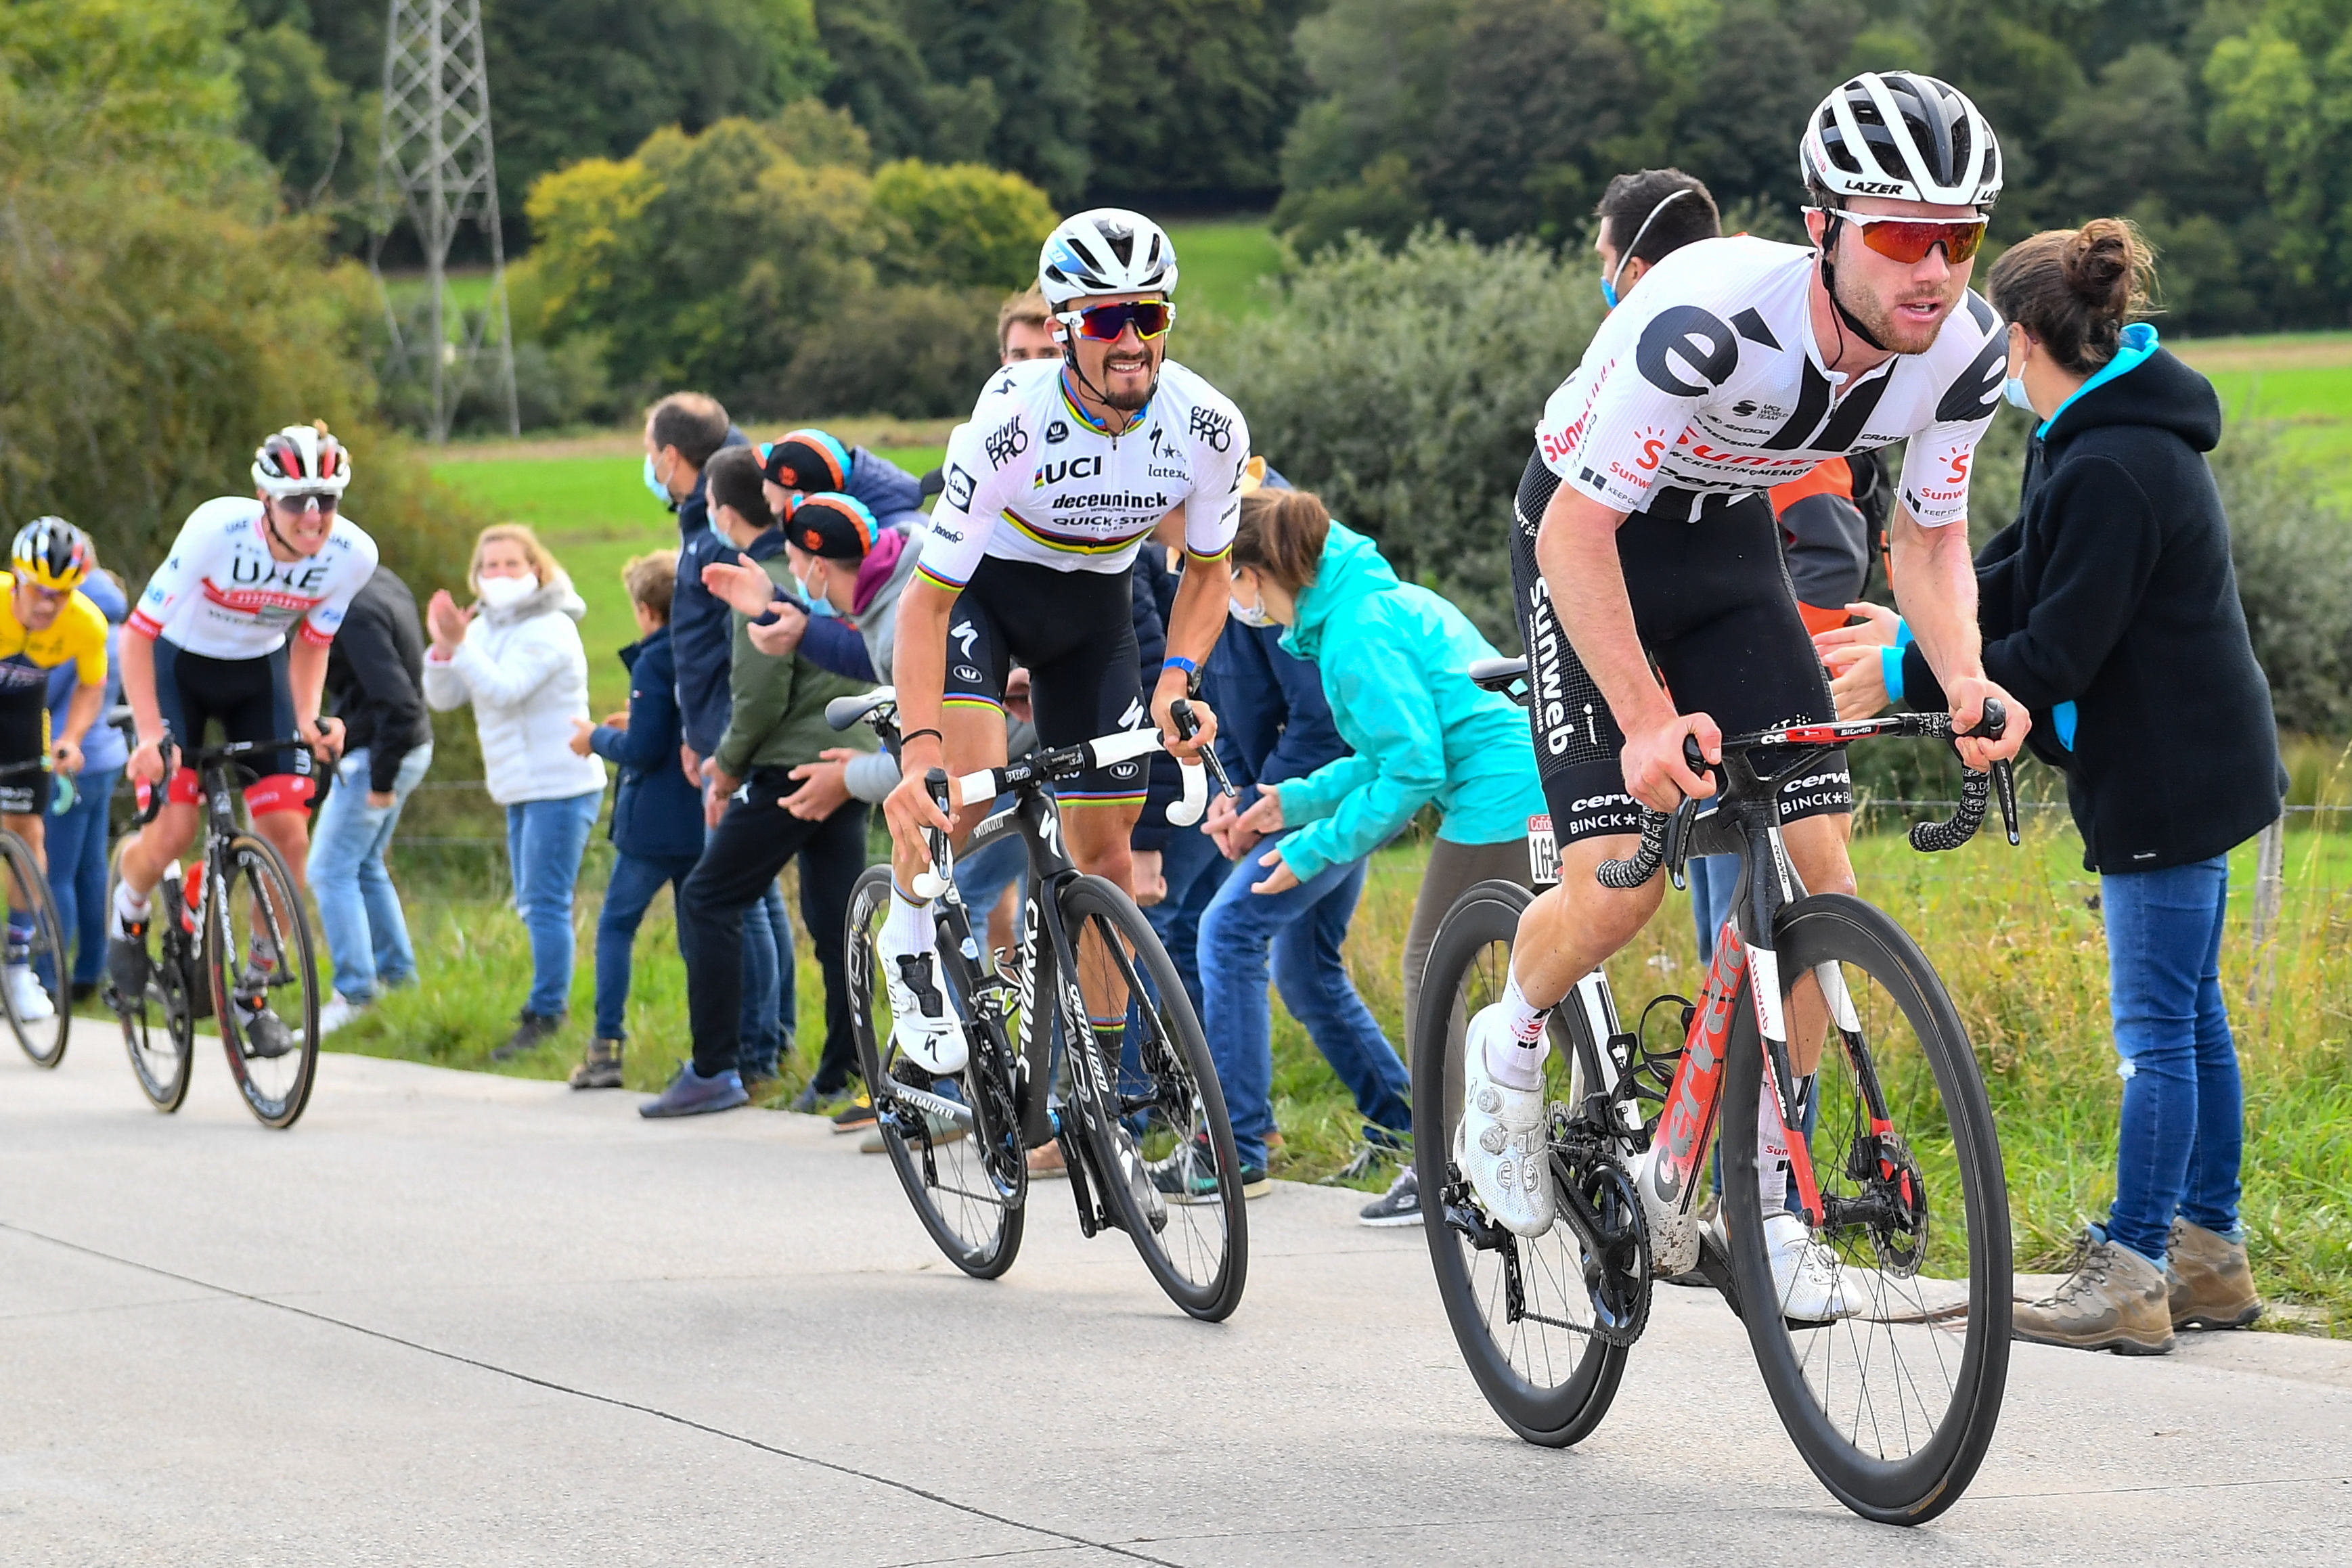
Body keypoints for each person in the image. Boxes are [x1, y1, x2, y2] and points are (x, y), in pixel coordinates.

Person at [1466, 72, 2026, 1326]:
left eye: (1959, 237)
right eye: (1901, 235)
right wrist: (1644, 717)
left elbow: (1930, 540)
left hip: (1726, 551)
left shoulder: (1964, 353)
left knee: (1825, 880)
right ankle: (1505, 1047)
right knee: (1620, 888)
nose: (1934, 270)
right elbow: (1575, 537)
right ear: (1822, 227)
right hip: (1585, 540)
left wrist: (1964, 674)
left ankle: (1769, 1203)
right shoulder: (1706, 318)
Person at [1817, 219, 2282, 1354]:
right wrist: (1917, 627)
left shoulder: (2114, 465)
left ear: (2019, 340)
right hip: (2195, 758)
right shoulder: (2095, 435)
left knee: (2156, 1031)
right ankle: (2207, 1253)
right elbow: (2024, 568)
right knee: (2191, 1015)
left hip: (2165, 776)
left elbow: (2058, 650)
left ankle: (2132, 1271)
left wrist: (1899, 676)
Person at [879, 208, 1246, 1096]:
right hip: (983, 600)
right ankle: (908, 937)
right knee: (962, 801)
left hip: (1093, 614)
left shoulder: (1207, 425)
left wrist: (1176, 679)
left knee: (1106, 859)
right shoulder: (1009, 423)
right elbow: (925, 605)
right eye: (1107, 319)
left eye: (1147, 316)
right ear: (1061, 329)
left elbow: (1207, 573)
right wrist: (919, 754)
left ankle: (1094, 1088)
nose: (1131, 342)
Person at [1192, 488, 1539, 1204]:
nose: (1229, 599)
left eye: (1226, 578)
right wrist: (1288, 804)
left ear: (1253, 574)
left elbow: (1414, 769)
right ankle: (1602, 1141)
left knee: (1430, 968)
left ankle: (1442, 1174)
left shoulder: (1356, 632)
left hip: (1497, 796)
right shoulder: (1361, 608)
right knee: (1546, 967)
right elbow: (1379, 757)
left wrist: (1310, 850)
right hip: (1527, 781)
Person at [1587, 166, 1875, 965]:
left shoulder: (1758, 359)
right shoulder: (1668, 357)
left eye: (1602, 261)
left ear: (1636, 272)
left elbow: (1829, 549)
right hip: (1698, 682)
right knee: (1729, 942)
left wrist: (1761, 674)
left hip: (1751, 684)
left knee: (1760, 931)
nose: (1599, 279)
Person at [109, 424, 379, 1061]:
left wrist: (308, 717)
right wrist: (148, 734)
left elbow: (314, 641)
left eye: (326, 499)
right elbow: (137, 634)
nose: (312, 516)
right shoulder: (215, 530)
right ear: (264, 498)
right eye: (296, 501)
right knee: (174, 831)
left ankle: (252, 991)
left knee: (289, 837)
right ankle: (129, 908)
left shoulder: (352, 554)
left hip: (259, 676)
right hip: (179, 668)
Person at [640, 447, 876, 1117]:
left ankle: (716, 1066)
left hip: (789, 768)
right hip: (847, 760)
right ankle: (845, 1069)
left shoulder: (763, 582)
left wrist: (725, 770)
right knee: (837, 924)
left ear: (720, 511)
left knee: (708, 897)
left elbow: (759, 697)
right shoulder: (811, 572)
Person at [646, 393, 796, 1096]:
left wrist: (716, 743)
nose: (650, 465)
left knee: (735, 899)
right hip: (712, 729)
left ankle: (754, 1051)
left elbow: (725, 649)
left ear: (671, 457)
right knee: (754, 899)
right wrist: (692, 729)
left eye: (650, 453)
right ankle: (769, 1042)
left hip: (730, 736)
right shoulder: (702, 516)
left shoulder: (713, 528)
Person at [422, 524, 605, 1059]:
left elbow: (505, 690)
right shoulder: (483, 628)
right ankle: (546, 1005)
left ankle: (547, 1012)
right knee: (532, 903)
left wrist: (460, 646)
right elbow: (445, 697)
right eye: (490, 566)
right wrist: (443, 648)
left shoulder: (551, 627)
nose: (499, 574)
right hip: (518, 786)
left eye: (511, 564)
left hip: (561, 784)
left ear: (536, 570)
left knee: (544, 902)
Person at [568, 550, 702, 1091]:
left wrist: (596, 737)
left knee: (616, 926)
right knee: (699, 939)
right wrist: (637, 720)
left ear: (646, 610)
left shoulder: (652, 660)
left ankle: (606, 1046)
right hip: (700, 818)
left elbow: (642, 750)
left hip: (652, 827)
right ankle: (716, 1047)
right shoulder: (698, 649)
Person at [309, 562, 434, 1034]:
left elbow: (400, 703)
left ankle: (356, 992)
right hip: (409, 746)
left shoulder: (352, 610)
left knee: (329, 869)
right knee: (363, 865)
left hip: (381, 753)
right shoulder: (382, 580)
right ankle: (398, 980)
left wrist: (381, 780)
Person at [1, 519, 108, 1019]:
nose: (48, 605)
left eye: (61, 594)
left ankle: (16, 964)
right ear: (18, 578)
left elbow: (92, 685)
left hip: (24, 718)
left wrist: (71, 738)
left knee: (28, 833)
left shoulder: (87, 623)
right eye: (40, 591)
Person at [46, 558, 127, 1004]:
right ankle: (90, 971)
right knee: (92, 870)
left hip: (67, 760)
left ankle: (48, 976)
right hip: (106, 756)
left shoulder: (76, 628)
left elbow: (47, 690)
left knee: (54, 873)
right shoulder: (118, 626)